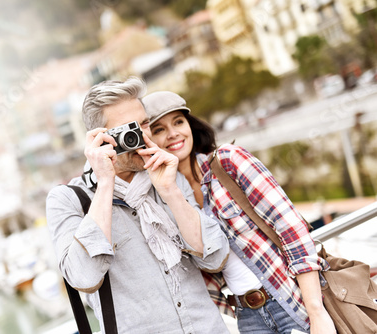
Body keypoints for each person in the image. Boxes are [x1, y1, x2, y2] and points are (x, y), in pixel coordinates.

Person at [45, 78, 231, 333]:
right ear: (100, 139)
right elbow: (83, 277)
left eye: (144, 123)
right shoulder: (67, 200)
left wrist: (170, 191)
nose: (141, 137)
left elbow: (215, 258)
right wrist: (105, 182)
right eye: (128, 130)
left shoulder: (167, 175)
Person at [143, 91, 336, 334]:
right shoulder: (166, 198)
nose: (173, 134)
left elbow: (291, 228)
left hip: (292, 300)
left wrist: (316, 311)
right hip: (247, 317)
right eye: (159, 129)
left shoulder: (228, 161)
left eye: (178, 122)